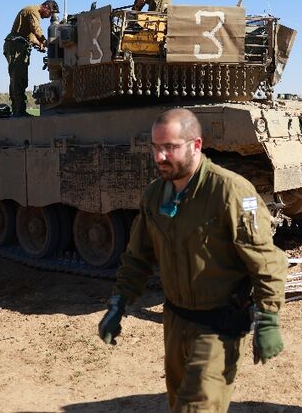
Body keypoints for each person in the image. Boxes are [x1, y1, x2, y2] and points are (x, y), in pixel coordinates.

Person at [98, 108, 286, 412]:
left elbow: (266, 261)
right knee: (178, 402)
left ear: (196, 145)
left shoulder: (229, 192)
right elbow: (137, 256)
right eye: (156, 148)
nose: (160, 157)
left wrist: (268, 319)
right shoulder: (155, 195)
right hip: (174, 321)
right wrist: (119, 303)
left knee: (196, 407)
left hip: (218, 326)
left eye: (170, 147)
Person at [3, 0, 58, 117]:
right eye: (50, 13)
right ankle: (19, 112)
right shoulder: (33, 12)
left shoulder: (31, 13)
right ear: (46, 7)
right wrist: (47, 42)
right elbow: (36, 29)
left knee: (20, 78)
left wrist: (41, 44)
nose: (49, 17)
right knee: (18, 78)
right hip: (16, 46)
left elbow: (31, 38)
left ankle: (18, 110)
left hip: (19, 46)